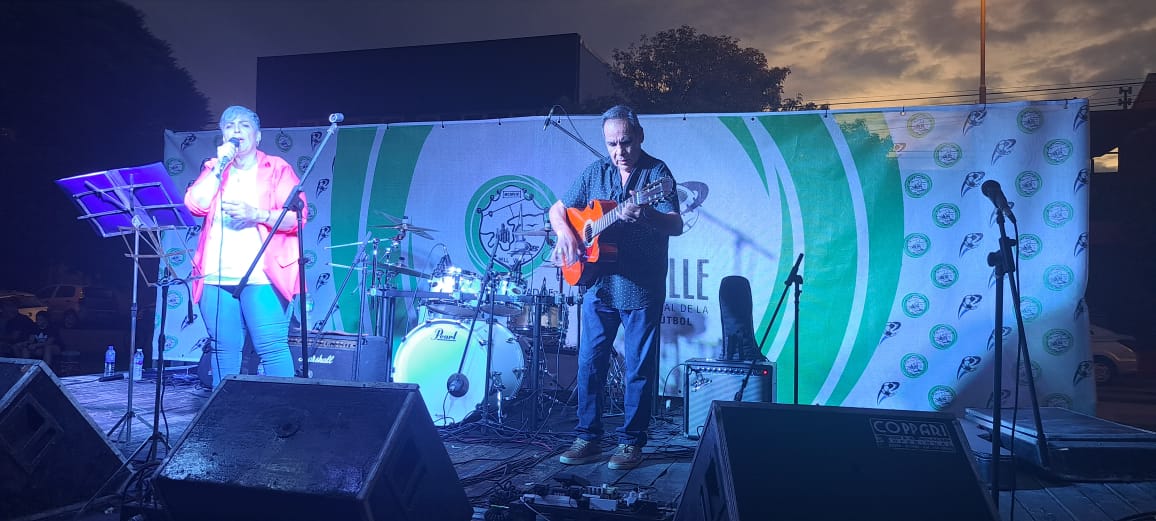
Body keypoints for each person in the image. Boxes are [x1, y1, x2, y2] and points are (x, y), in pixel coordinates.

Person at [548, 105, 682, 470]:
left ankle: (631, 442)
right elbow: (557, 210)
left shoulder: (657, 174)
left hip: (641, 286)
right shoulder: (596, 172)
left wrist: (646, 213)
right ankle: (587, 437)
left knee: (638, 368)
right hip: (599, 284)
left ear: (640, 136)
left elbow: (676, 224)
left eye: (626, 142)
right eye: (612, 144)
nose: (619, 151)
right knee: (590, 362)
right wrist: (566, 234)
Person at [184, 105, 306, 386]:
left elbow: (297, 218)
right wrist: (220, 166)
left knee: (271, 348)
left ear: (258, 136)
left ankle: (283, 410)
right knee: (222, 349)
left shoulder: (276, 168)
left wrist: (256, 214)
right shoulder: (214, 168)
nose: (236, 130)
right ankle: (224, 411)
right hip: (215, 276)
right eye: (229, 126)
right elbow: (194, 206)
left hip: (261, 277)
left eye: (244, 125)